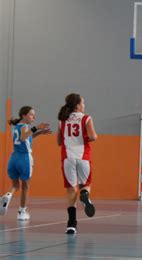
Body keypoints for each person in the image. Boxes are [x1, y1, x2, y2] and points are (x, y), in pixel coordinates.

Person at [0, 106, 50, 220]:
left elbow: (27, 137)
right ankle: (22, 212)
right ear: (24, 115)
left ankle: (8, 195)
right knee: (25, 186)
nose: (34, 117)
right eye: (31, 114)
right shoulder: (25, 126)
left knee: (15, 185)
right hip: (24, 159)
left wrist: (40, 132)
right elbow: (23, 137)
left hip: (13, 158)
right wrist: (37, 127)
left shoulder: (17, 127)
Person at [57, 94, 98, 234]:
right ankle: (85, 194)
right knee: (85, 184)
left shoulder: (62, 120)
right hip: (83, 157)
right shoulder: (86, 118)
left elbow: (59, 142)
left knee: (71, 190)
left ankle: (71, 224)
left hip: (67, 157)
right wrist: (83, 137)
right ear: (77, 105)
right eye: (83, 103)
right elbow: (93, 137)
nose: (84, 105)